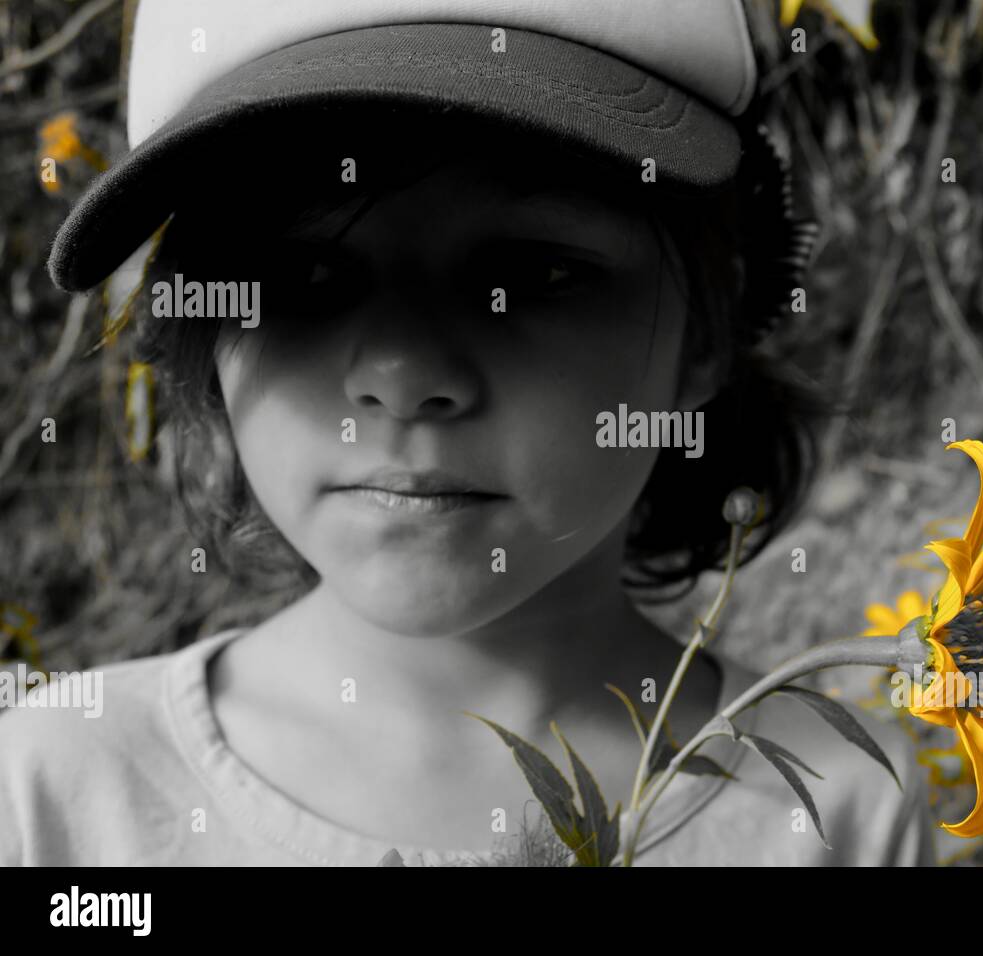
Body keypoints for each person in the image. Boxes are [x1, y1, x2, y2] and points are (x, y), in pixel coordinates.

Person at [0, 0, 932, 866]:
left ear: (705, 337)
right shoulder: (55, 797)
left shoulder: (835, 815)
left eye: (533, 273)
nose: (403, 377)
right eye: (304, 276)